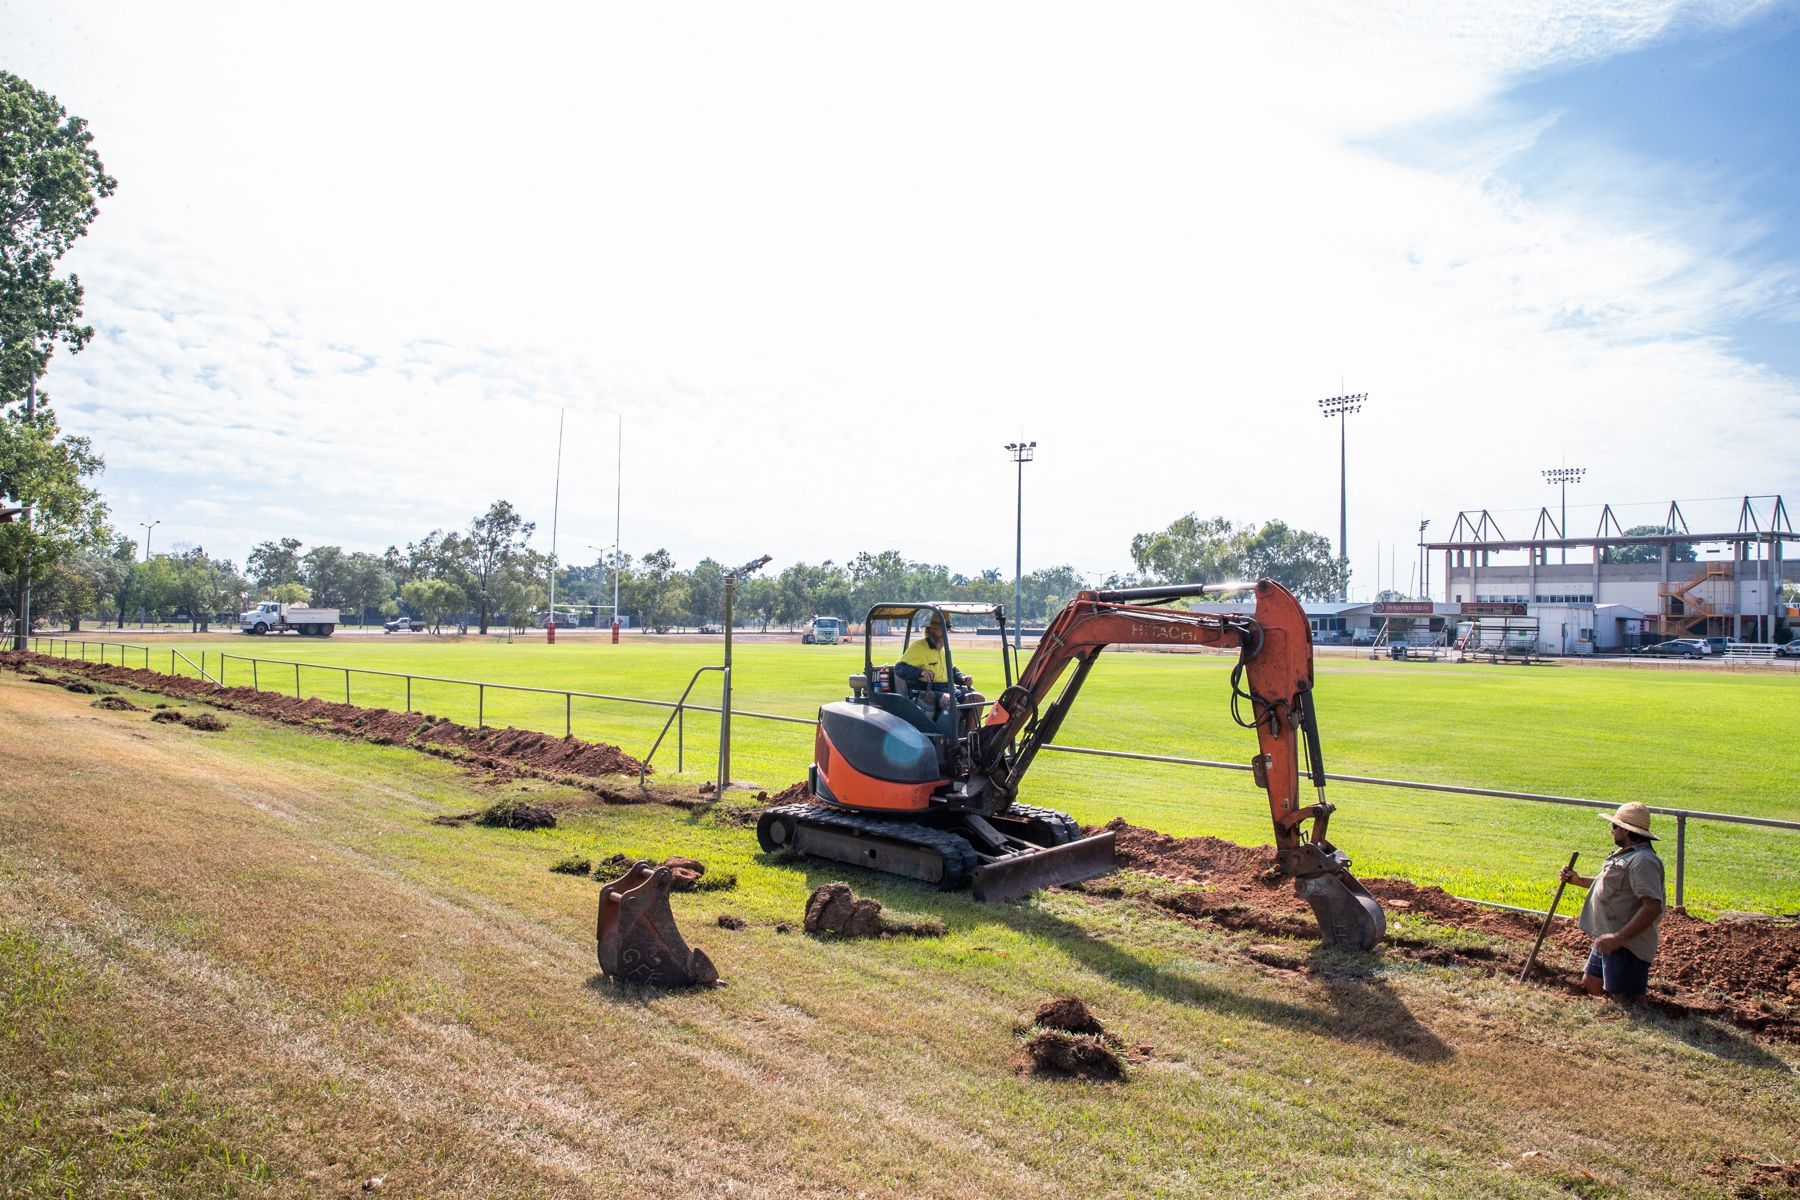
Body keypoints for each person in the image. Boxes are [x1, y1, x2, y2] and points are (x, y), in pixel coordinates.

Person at [1561, 801, 1666, 1001]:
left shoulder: (1643, 862)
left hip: (1627, 944)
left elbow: (1652, 907)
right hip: (1609, 936)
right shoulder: (1626, 856)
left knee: (1624, 998)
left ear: (1626, 830)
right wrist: (1578, 880)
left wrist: (1619, 938)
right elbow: (1612, 885)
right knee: (1592, 981)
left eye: (1615, 826)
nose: (1612, 831)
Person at [893, 612, 969, 722]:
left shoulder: (942, 648)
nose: (945, 632)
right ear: (932, 629)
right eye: (942, 628)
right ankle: (947, 738)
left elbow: (952, 671)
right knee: (950, 700)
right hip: (927, 689)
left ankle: (970, 735)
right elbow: (899, 668)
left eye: (946, 629)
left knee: (976, 698)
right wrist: (921, 672)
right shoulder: (919, 647)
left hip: (947, 688)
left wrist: (963, 678)